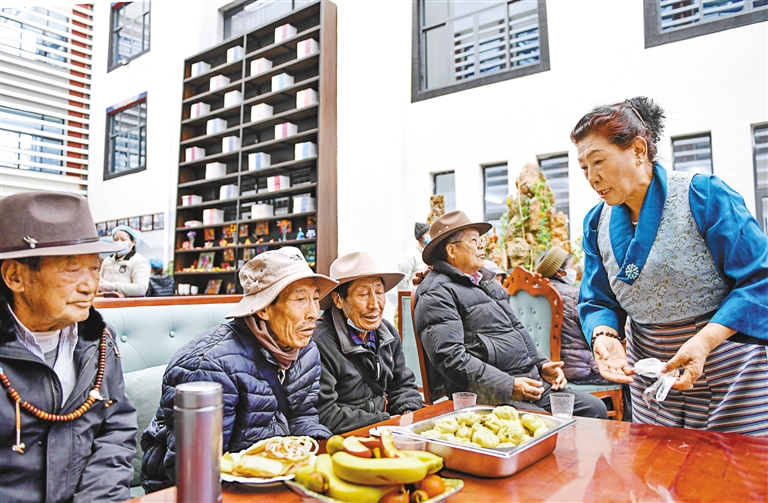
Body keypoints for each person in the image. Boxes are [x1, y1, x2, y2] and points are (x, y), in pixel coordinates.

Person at [573, 96, 768, 435]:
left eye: (598, 161)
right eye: (584, 168)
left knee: (730, 465)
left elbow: (758, 279)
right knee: (657, 463)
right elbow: (596, 299)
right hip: (648, 373)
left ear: (638, 150)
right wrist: (605, 334)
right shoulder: (596, 222)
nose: (592, 177)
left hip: (726, 369)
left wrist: (704, 342)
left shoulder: (703, 195)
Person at [141, 246, 338, 492]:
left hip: (273, 476)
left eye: (315, 298)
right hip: (196, 487)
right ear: (264, 308)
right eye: (300, 300)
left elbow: (302, 416)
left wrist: (318, 450)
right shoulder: (209, 366)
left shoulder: (305, 350)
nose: (313, 313)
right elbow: (195, 467)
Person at [0, 191, 137, 502]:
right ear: (15, 277)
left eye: (94, 268)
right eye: (72, 269)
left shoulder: (98, 340)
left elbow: (115, 428)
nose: (90, 286)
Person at [413, 210, 606, 418]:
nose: (481, 245)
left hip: (527, 381)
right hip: (489, 393)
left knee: (594, 409)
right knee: (545, 424)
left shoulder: (486, 282)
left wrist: (542, 365)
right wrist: (509, 385)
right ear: (451, 250)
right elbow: (450, 357)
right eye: (473, 240)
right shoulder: (436, 292)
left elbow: (517, 330)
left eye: (481, 240)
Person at [314, 251, 423, 434]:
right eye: (363, 294)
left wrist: (407, 412)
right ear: (338, 299)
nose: (375, 305)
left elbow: (403, 384)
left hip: (386, 430)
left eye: (379, 292)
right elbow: (326, 413)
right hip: (347, 436)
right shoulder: (320, 343)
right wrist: (385, 421)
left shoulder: (387, 333)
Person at [100, 225, 150, 297]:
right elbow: (100, 279)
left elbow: (141, 288)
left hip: (128, 303)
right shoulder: (108, 260)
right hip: (106, 302)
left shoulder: (139, 261)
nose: (119, 242)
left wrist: (113, 286)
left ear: (133, 242)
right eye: (116, 239)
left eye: (123, 239)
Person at [397, 222, 430, 290]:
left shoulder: (427, 252)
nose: (430, 236)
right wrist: (404, 295)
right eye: (428, 233)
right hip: (412, 293)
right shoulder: (410, 254)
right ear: (420, 237)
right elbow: (402, 280)